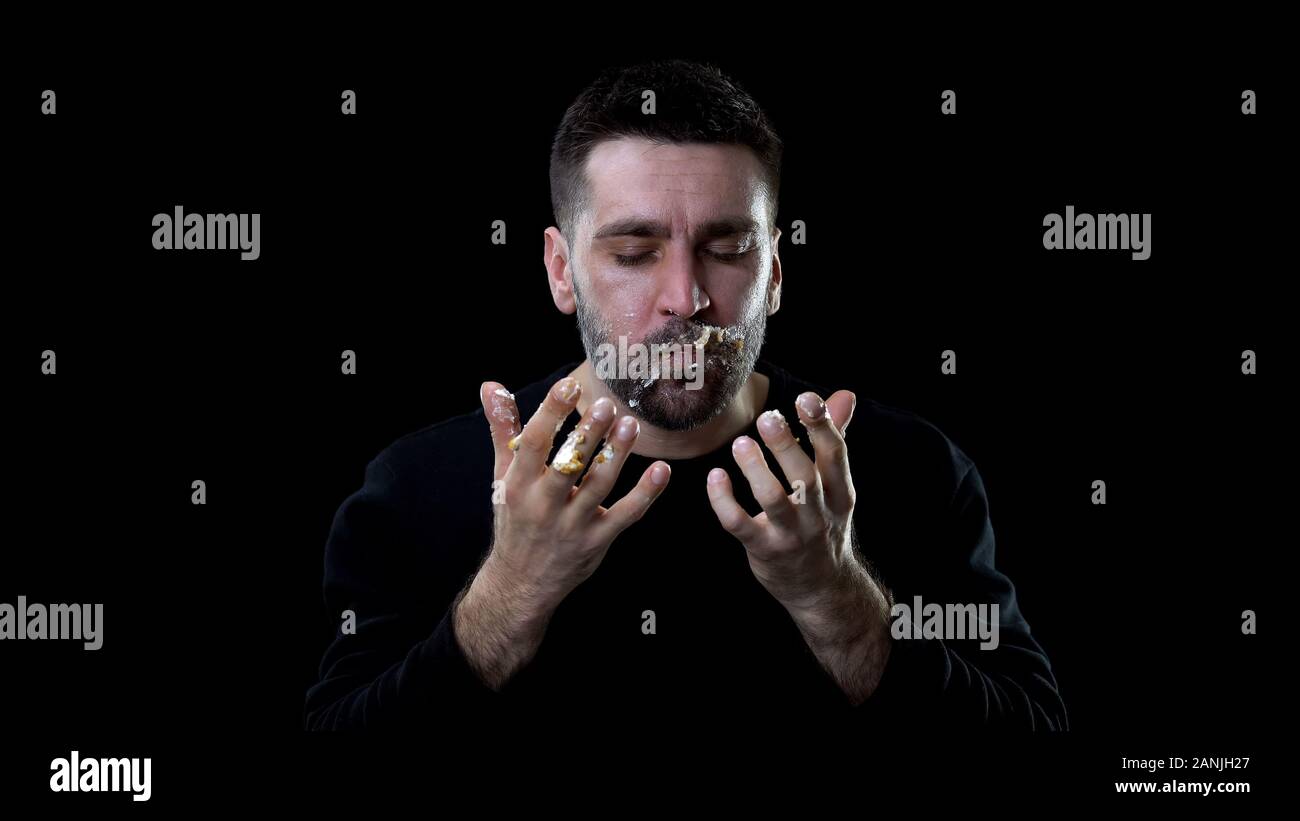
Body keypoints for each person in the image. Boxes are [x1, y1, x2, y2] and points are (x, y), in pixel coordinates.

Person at [305, 59, 1066, 732]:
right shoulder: (414, 487)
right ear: (561, 270)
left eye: (728, 249)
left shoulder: (911, 471)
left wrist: (835, 597)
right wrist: (509, 595)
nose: (685, 297)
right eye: (634, 252)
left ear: (773, 272)